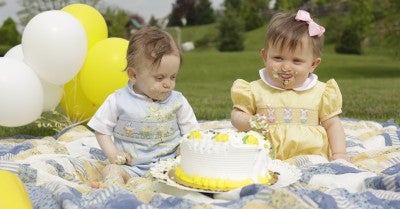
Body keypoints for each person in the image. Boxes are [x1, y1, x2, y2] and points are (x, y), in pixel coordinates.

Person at [88, 26, 199, 186]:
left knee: (195, 170)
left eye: (173, 77)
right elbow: (101, 130)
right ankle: (113, 190)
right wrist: (113, 154)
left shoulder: (177, 101)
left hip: (170, 166)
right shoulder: (118, 100)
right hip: (132, 168)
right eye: (160, 77)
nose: (168, 84)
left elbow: (192, 132)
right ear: (134, 75)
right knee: (111, 170)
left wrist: (184, 150)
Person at [230, 10, 347, 161]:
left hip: (311, 156)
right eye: (278, 58)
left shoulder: (321, 92)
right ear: (265, 57)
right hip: (263, 156)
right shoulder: (254, 89)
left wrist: (339, 154)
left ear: (313, 64)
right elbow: (236, 116)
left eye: (296, 61)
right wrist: (250, 121)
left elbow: (333, 125)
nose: (285, 67)